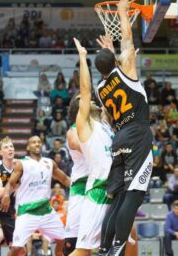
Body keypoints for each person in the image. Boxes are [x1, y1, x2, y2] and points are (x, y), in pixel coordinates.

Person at [95, 0, 153, 255]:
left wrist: (110, 55)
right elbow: (128, 40)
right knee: (134, 194)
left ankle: (106, 247)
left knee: (118, 198)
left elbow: (108, 114)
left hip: (118, 138)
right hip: (137, 134)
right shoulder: (127, 71)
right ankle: (118, 246)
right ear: (115, 62)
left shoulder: (99, 88)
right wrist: (122, 9)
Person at [69, 38, 114, 256]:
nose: (93, 100)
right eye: (85, 101)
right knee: (82, 251)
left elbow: (112, 93)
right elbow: (86, 90)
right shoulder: (84, 126)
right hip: (98, 190)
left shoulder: (104, 122)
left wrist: (112, 56)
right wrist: (83, 57)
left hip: (114, 189)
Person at [0, 135, 70, 256]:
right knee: (17, 248)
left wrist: (82, 186)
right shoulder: (21, 164)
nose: (37, 144)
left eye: (39, 142)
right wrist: (6, 195)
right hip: (24, 212)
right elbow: (8, 185)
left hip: (46, 211)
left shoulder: (49, 162)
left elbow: (65, 179)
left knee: (62, 238)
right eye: (33, 142)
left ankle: (58, 253)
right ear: (28, 147)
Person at [64, 94, 89, 255]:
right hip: (81, 186)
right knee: (72, 242)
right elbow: (87, 148)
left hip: (101, 185)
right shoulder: (73, 131)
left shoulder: (101, 127)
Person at [0, 137, 16, 254]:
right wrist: (17, 185)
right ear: (0, 152)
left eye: (11, 146)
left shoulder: (19, 166)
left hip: (11, 210)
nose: (10, 149)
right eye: (6, 147)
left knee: (18, 247)